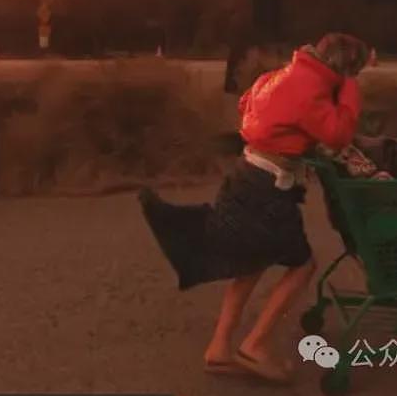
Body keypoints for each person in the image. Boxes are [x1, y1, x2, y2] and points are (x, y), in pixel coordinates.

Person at [138, 33, 374, 383]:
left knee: (251, 263)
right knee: (302, 266)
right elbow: (337, 134)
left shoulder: (280, 75)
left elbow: (245, 104)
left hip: (246, 173)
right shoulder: (311, 90)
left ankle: (220, 348)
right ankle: (256, 345)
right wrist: (351, 90)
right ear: (344, 68)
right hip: (269, 187)